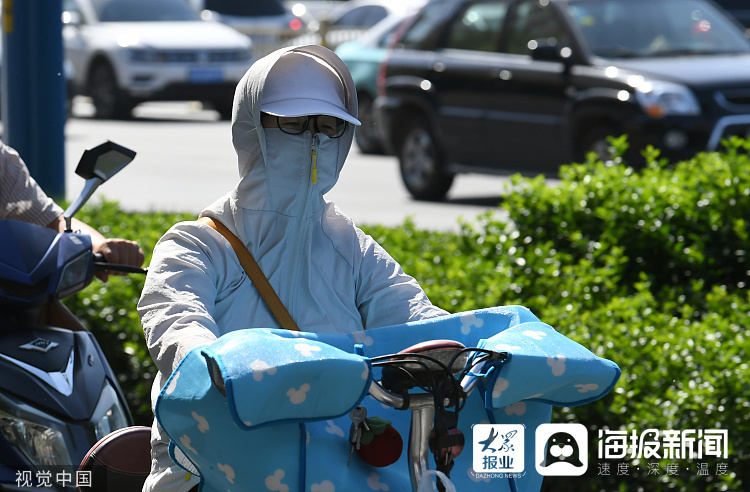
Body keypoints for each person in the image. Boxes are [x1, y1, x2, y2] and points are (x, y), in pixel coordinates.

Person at [137, 45, 449, 492]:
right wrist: (208, 364)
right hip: (213, 470)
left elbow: (414, 316)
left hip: (338, 473)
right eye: (293, 123)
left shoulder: (352, 247)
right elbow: (173, 317)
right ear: (251, 125)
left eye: (328, 126)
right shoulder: (199, 242)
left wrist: (464, 350)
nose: (313, 139)